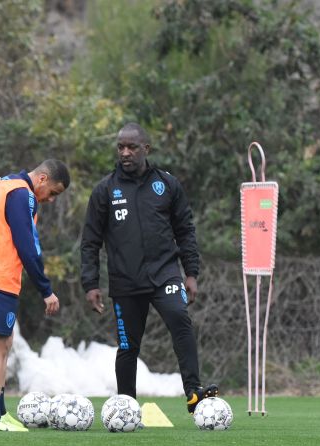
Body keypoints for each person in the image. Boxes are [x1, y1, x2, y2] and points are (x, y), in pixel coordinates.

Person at [80, 122, 218, 413]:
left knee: (181, 320)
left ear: (146, 149)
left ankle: (194, 393)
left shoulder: (167, 184)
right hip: (125, 281)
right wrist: (90, 284)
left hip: (165, 274)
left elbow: (185, 230)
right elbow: (90, 241)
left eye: (131, 147)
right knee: (128, 346)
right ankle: (126, 406)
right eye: (121, 148)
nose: (125, 153)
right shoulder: (105, 190)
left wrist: (190, 273)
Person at [0, 159, 70, 431]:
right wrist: (46, 289)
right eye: (53, 192)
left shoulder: (4, 183)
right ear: (42, 179)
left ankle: (0, 412)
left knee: (4, 342)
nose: (51, 200)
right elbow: (26, 245)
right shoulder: (23, 194)